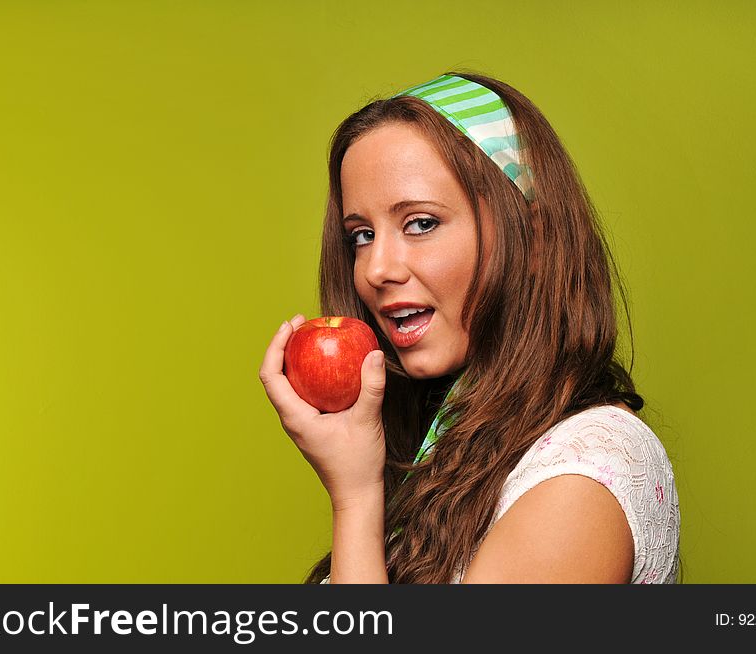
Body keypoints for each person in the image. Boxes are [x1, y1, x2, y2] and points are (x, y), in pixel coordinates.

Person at [259, 71, 680, 584]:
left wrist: (356, 498)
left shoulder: (581, 475)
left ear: (534, 238)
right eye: (362, 235)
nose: (375, 269)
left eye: (421, 223)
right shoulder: (455, 452)